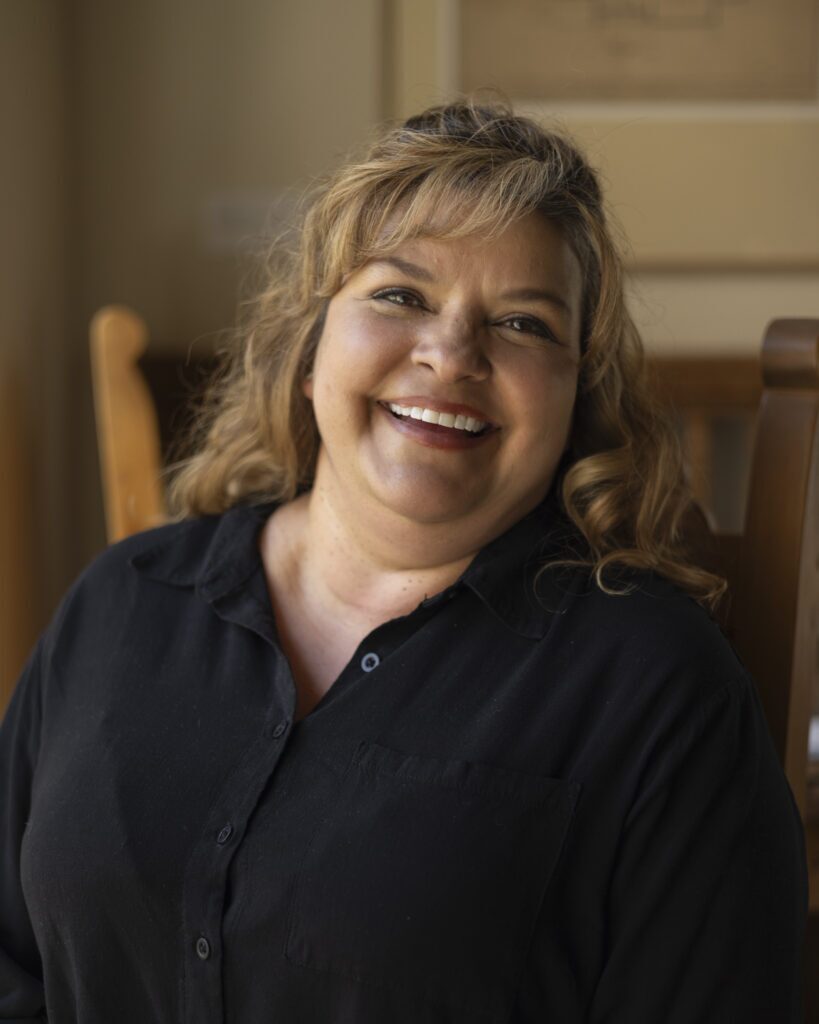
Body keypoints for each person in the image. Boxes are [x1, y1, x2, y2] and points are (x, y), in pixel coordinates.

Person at [0, 101, 807, 1023]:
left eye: (523, 325)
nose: (450, 354)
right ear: (311, 350)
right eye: (399, 296)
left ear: (575, 396)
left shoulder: (656, 692)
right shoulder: (122, 599)